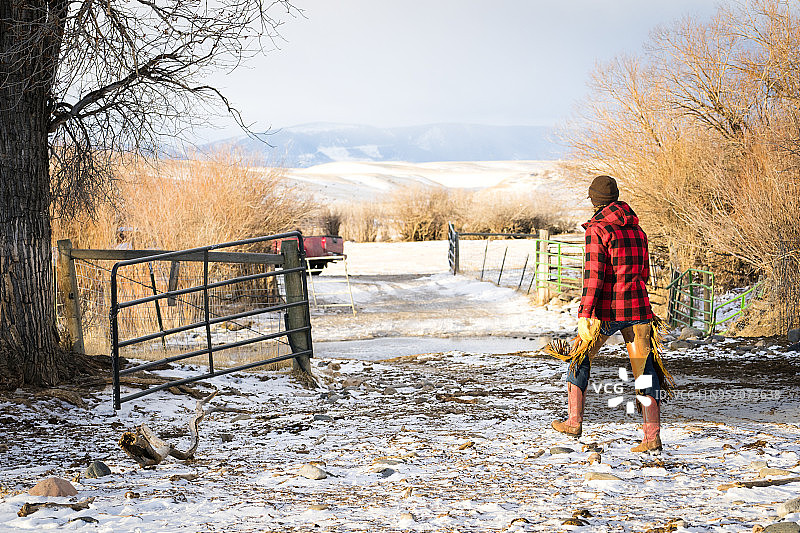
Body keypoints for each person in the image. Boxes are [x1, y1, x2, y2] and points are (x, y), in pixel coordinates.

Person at [550, 175, 672, 454]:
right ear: (615, 197)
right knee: (645, 370)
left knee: (579, 356)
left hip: (607, 309)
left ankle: (573, 421)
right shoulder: (637, 230)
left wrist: (585, 313)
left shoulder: (597, 230)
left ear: (594, 200)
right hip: (639, 308)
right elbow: (644, 273)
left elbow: (594, 277)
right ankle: (651, 436)